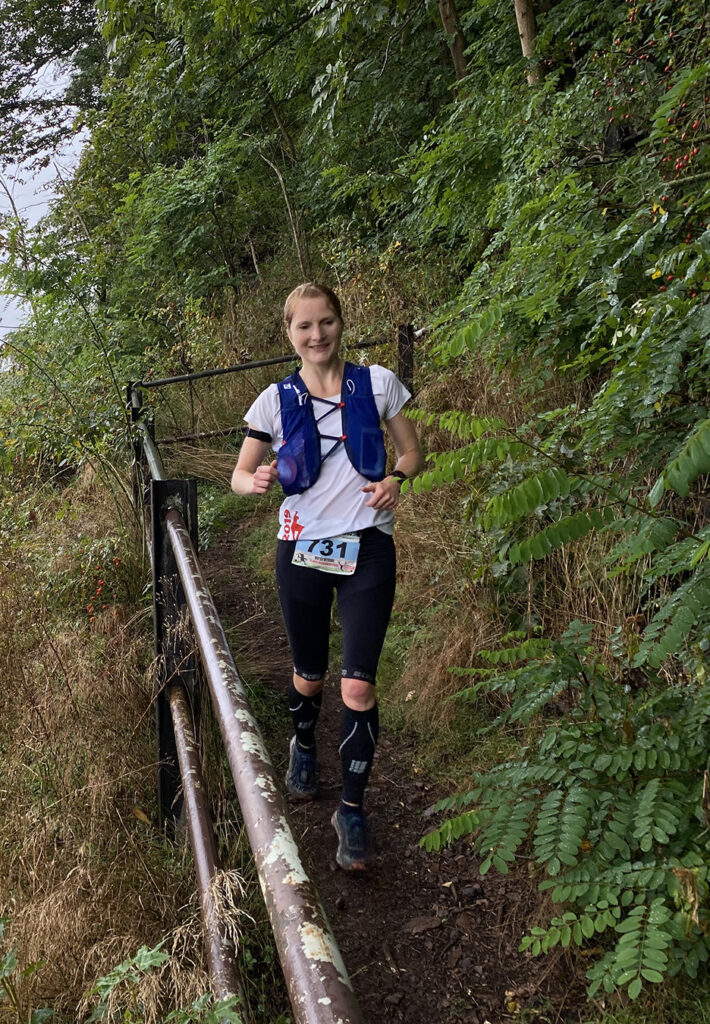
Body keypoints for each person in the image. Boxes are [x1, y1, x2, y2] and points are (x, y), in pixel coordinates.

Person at [231, 283, 422, 870]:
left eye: (327, 323)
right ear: (289, 334)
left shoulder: (379, 383)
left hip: (368, 549)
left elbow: (414, 455)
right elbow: (240, 474)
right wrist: (254, 481)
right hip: (302, 551)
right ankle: (304, 744)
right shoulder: (273, 400)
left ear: (341, 323)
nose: (317, 336)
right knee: (309, 675)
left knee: (357, 686)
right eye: (304, 327)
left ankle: (353, 808)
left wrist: (396, 479)